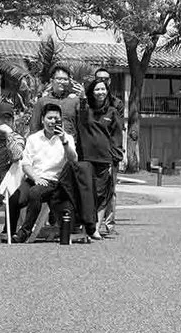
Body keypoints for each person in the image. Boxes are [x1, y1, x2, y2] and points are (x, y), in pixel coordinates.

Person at [12, 105, 90, 244]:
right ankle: (9, 232)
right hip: (34, 178)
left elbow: (74, 160)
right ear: (43, 119)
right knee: (14, 198)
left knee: (35, 193)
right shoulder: (33, 138)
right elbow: (26, 164)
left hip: (54, 181)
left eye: (56, 119)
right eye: (49, 118)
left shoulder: (67, 138)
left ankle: (25, 232)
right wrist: (35, 178)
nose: (52, 121)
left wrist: (63, 141)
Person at [74, 78, 123, 240]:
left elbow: (116, 137)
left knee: (102, 194)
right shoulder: (85, 110)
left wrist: (116, 158)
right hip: (85, 158)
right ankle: (85, 225)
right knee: (87, 193)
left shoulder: (112, 112)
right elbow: (80, 118)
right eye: (97, 89)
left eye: (103, 89)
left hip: (105, 159)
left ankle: (95, 228)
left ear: (107, 91)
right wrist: (82, 98)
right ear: (91, 92)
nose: (100, 92)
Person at [31, 65, 83, 136]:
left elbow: (83, 123)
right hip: (48, 143)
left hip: (69, 143)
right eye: (59, 79)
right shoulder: (42, 101)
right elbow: (35, 126)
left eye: (65, 79)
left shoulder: (74, 101)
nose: (62, 82)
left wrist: (83, 98)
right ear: (52, 81)